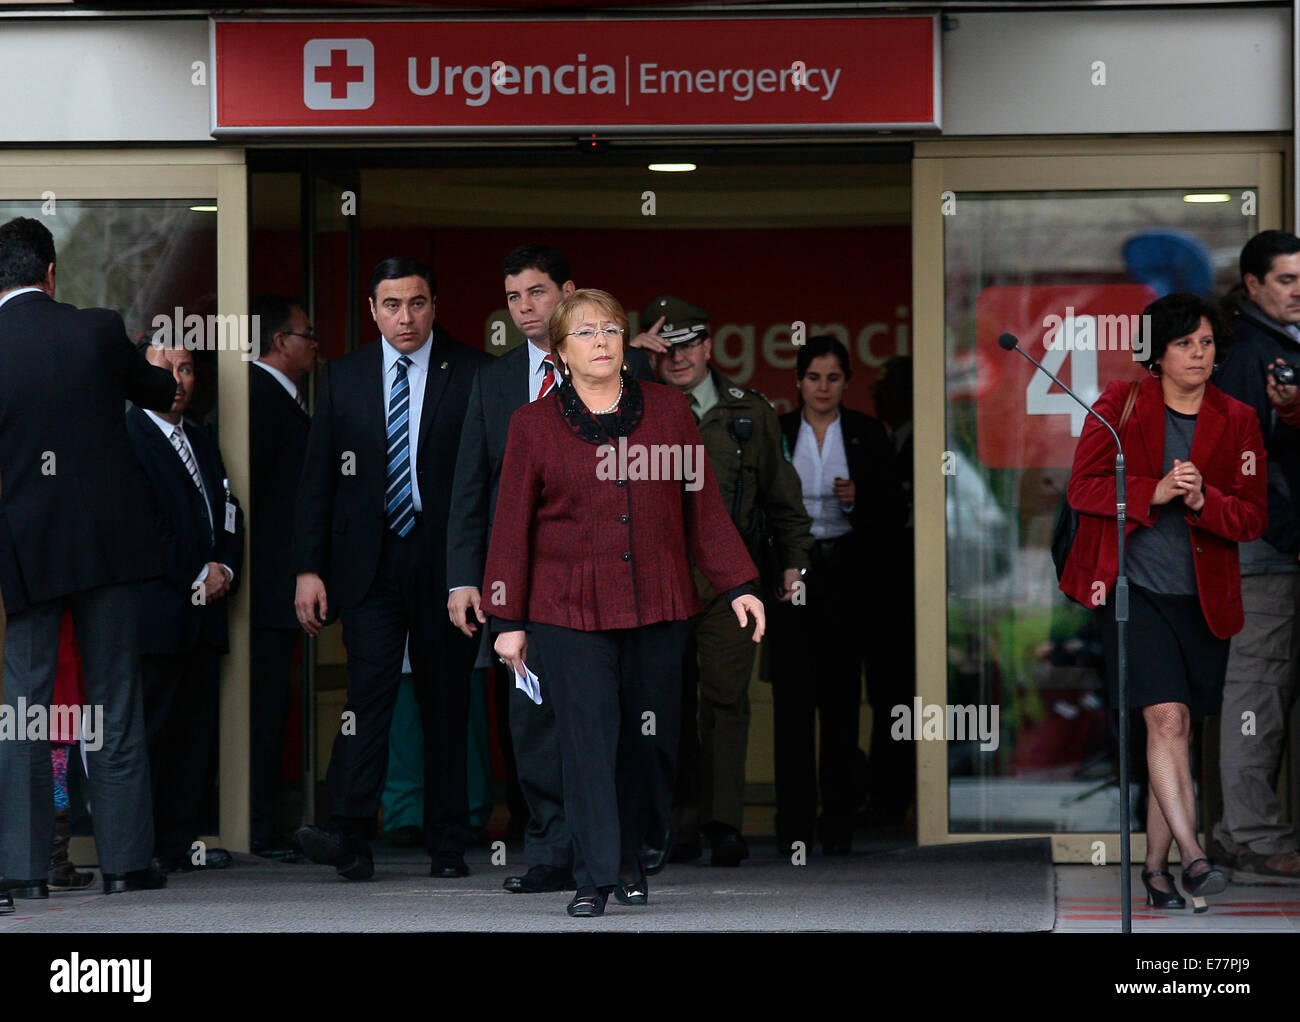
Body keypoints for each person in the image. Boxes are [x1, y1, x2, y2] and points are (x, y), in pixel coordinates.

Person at [484, 288, 764, 917]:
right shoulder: (533, 425)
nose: (603, 340)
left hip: (657, 605)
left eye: (611, 329)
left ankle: (635, 854)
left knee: (651, 742)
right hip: (567, 610)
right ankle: (593, 875)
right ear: (559, 352)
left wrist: (739, 584)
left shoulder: (668, 412)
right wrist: (506, 621)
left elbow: (704, 509)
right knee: (586, 742)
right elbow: (510, 528)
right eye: (585, 333)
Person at [447, 245, 656, 894]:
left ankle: (618, 852)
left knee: (613, 722)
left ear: (566, 292)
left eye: (537, 293)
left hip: (608, 581)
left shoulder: (627, 369)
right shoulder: (493, 381)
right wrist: (465, 578)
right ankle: (550, 852)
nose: (525, 308)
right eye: (513, 297)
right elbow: (472, 492)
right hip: (525, 582)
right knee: (533, 720)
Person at [1060, 292, 1267, 909]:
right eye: (1184, 344)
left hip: (1203, 602)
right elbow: (1082, 489)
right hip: (1135, 592)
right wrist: (1154, 492)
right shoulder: (1119, 405)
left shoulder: (1240, 419)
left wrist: (1205, 501)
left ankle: (1155, 870)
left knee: (1176, 737)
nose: (1198, 355)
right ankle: (1196, 858)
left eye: (1206, 343)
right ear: (1158, 352)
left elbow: (1253, 517)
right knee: (1166, 721)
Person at [292, 257, 488, 881]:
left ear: (435, 305)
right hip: (367, 565)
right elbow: (317, 477)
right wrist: (308, 568)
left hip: (446, 564)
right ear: (373, 311)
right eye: (392, 305)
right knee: (367, 699)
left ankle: (449, 842)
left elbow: (487, 480)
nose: (406, 317)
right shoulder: (343, 376)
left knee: (445, 702)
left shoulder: (474, 371)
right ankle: (351, 836)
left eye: (418, 303)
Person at [0, 216, 174, 898]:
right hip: (108, 546)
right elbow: (161, 392)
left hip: (25, 552)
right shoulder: (99, 329)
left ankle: (21, 871)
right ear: (50, 275)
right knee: (115, 702)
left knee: (24, 709)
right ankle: (127, 866)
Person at [635, 295, 812, 866]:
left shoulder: (748, 412)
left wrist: (793, 561)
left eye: (688, 344)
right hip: (658, 579)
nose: (679, 357)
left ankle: (723, 824)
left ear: (709, 346)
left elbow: (783, 496)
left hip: (730, 579)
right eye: (666, 347)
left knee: (725, 700)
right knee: (664, 703)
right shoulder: (633, 405)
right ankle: (674, 827)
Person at [768, 335, 903, 855]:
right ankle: (794, 826)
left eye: (833, 378)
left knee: (843, 706)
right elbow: (761, 509)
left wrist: (860, 498)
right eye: (813, 377)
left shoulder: (869, 433)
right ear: (798, 382)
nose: (822, 387)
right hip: (791, 580)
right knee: (793, 706)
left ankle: (839, 825)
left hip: (848, 581)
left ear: (847, 383)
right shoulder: (777, 432)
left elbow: (894, 515)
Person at [126, 340, 244, 872]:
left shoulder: (200, 438)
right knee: (152, 734)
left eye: (187, 368)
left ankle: (179, 844)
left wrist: (225, 567)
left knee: (194, 738)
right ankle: (141, 849)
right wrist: (195, 574)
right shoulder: (125, 436)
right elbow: (143, 524)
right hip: (158, 614)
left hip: (204, 614)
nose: (178, 379)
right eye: (165, 368)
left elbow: (228, 508)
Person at [1210, 230, 1300, 884]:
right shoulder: (1248, 352)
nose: (1298, 291)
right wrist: (1290, 534)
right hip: (1264, 552)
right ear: (1252, 285)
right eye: (1287, 280)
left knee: (1265, 691)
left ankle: (1239, 830)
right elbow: (1247, 465)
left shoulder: (1273, 344)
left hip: (1272, 547)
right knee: (1258, 692)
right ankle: (1250, 836)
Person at [248, 294, 315, 859]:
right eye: (305, 334)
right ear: (278, 342)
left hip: (272, 585)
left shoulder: (280, 398)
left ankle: (265, 820)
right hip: (263, 585)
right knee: (263, 706)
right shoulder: (258, 397)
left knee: (272, 703)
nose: (314, 345)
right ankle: (258, 826)